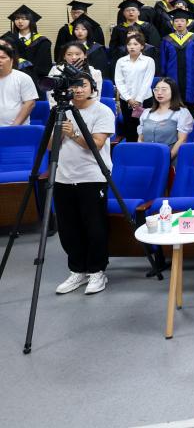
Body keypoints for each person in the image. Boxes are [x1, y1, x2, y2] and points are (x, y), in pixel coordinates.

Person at [50, 71, 116, 296]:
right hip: (63, 177)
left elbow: (96, 144)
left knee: (94, 227)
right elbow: (49, 147)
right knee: (68, 228)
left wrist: (73, 133)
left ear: (92, 88)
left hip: (92, 176)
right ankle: (77, 270)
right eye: (74, 85)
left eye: (83, 85)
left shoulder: (103, 111)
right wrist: (60, 131)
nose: (78, 89)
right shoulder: (61, 111)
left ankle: (97, 271)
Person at [138, 78, 194, 160]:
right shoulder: (146, 112)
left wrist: (166, 159)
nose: (159, 93)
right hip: (147, 159)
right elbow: (140, 139)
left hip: (171, 159)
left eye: (164, 89)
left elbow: (182, 140)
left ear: (173, 92)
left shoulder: (181, 113)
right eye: (156, 90)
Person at [114, 35, 155, 142]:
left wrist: (139, 99)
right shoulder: (121, 61)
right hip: (126, 100)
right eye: (129, 44)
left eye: (135, 44)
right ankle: (131, 148)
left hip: (145, 100)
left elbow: (147, 81)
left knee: (145, 127)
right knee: (130, 128)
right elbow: (119, 81)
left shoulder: (148, 61)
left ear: (142, 46)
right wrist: (129, 98)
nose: (132, 47)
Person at [4, 4, 53, 91]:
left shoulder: (42, 42)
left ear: (31, 20)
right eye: (17, 18)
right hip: (9, 82)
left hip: (34, 83)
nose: (20, 21)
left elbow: (44, 67)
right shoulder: (7, 40)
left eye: (24, 19)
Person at [47, 41, 104, 108]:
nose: (74, 57)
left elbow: (95, 97)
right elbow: (51, 98)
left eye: (77, 54)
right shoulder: (56, 71)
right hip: (62, 108)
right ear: (64, 56)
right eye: (69, 54)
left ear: (85, 55)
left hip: (87, 108)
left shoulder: (95, 73)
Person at [0, 43, 38, 126]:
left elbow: (30, 103)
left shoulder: (23, 77)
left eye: (3, 57)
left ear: (11, 60)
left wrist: (15, 126)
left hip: (17, 128)